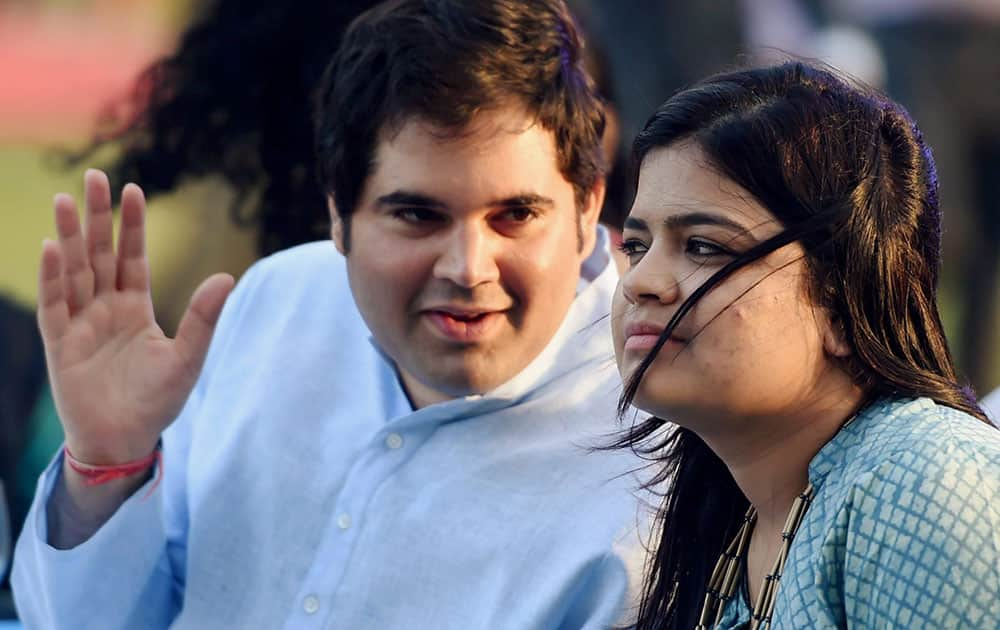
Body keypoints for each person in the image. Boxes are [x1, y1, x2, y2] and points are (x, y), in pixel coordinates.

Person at [12, 1, 646, 628]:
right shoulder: (281, 300)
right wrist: (107, 464)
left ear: (589, 207)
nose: (469, 266)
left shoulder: (660, 437)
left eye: (515, 215)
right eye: (419, 216)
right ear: (339, 215)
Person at [609, 61, 1000, 629]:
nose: (639, 281)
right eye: (638, 244)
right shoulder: (736, 508)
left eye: (702, 247)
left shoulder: (929, 486)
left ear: (844, 300)